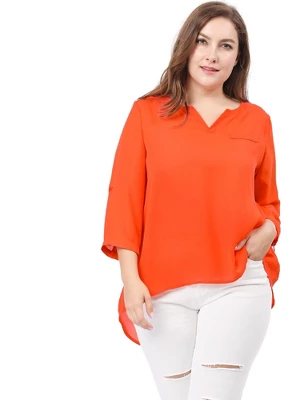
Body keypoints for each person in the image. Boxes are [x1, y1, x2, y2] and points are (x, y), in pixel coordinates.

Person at [101, 1, 281, 399]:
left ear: (238, 58)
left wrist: (269, 229)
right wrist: (130, 279)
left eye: (226, 46)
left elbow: (268, 200)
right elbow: (124, 200)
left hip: (238, 281)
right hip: (160, 289)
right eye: (203, 41)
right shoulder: (147, 114)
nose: (212, 55)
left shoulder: (257, 121)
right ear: (187, 45)